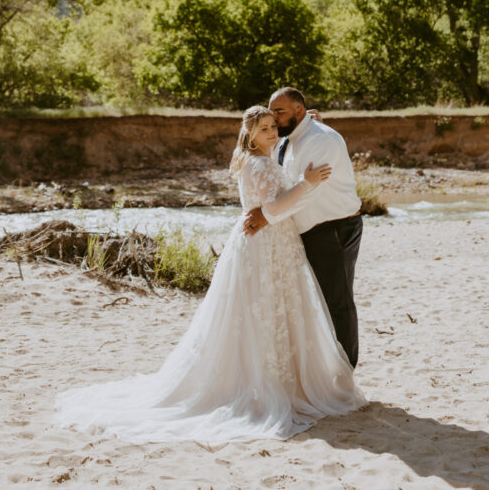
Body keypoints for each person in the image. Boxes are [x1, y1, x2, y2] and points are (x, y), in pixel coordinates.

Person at [55, 105, 364, 444]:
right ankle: (266, 386)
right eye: (264, 129)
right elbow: (271, 210)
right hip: (265, 244)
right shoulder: (258, 164)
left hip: (276, 245)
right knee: (263, 311)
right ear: (249, 134)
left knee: (277, 311)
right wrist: (306, 184)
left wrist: (308, 127)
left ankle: (285, 381)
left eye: (274, 126)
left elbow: (275, 191)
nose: (272, 133)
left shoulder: (265, 158)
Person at [244, 87, 363, 368]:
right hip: (308, 232)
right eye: (272, 115)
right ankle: (325, 368)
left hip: (334, 229)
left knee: (338, 302)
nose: (275, 120)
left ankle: (346, 372)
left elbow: (309, 191)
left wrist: (267, 216)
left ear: (299, 111)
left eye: (280, 113)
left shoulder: (321, 140)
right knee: (315, 304)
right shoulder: (290, 138)